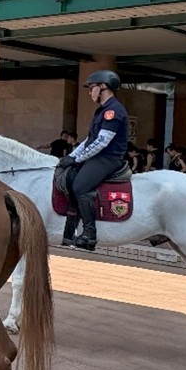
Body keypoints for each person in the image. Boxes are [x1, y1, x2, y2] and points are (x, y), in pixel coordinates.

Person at [57, 70, 128, 251]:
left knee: (81, 186)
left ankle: (89, 234)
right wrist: (71, 156)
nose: (90, 93)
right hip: (98, 156)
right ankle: (70, 228)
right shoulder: (101, 111)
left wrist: (77, 159)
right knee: (71, 176)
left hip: (109, 158)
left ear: (103, 86)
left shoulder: (113, 111)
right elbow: (89, 141)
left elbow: (102, 142)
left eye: (91, 88)